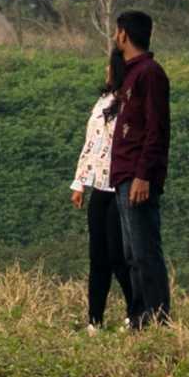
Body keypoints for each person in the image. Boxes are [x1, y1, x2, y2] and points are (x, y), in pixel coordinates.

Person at [99, 9, 173, 327]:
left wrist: (144, 174)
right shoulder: (129, 75)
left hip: (138, 175)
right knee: (131, 254)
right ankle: (140, 316)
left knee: (145, 251)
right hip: (124, 174)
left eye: (117, 32)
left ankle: (157, 317)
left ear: (124, 34)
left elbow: (157, 130)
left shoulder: (150, 73)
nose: (115, 37)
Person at [67, 61, 125, 330]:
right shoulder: (103, 100)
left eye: (110, 68)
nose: (106, 72)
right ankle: (95, 320)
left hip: (121, 186)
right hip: (99, 187)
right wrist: (79, 182)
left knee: (118, 254)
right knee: (98, 256)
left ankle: (135, 311)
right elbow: (91, 142)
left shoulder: (130, 101)